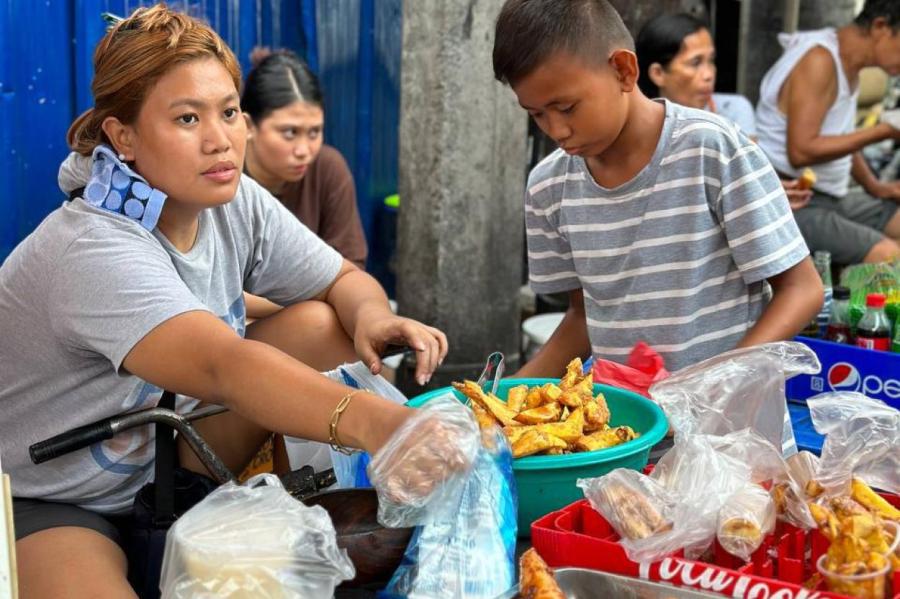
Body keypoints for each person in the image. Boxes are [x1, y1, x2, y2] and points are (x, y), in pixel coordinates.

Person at [0, 6, 453, 598]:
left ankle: (272, 497)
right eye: (187, 118)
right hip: (56, 494)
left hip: (167, 456)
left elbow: (343, 278)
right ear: (123, 137)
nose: (221, 139)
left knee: (328, 325)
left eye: (230, 112)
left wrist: (374, 314)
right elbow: (224, 366)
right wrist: (380, 423)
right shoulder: (92, 247)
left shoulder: (234, 203)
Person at [493, 0, 823, 377]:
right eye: (536, 114)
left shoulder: (711, 149)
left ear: (623, 70)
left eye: (566, 107)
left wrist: (714, 384)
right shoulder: (548, 187)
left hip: (732, 427)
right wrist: (502, 400)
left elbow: (801, 290)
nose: (556, 130)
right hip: (629, 428)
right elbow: (582, 317)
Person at [755, 0, 900, 265]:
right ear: (881, 27)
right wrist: (884, 132)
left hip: (833, 197)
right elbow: (801, 151)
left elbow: (838, 138)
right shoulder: (819, 60)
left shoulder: (849, 62)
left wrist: (875, 186)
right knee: (891, 255)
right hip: (795, 203)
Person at [635, 12, 812, 211]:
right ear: (658, 74)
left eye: (711, 61)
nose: (709, 74)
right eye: (695, 63)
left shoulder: (734, 111)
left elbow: (749, 182)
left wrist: (769, 193)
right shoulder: (639, 132)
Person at [242, 48, 368, 319]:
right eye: (289, 133)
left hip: (308, 316)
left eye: (314, 132)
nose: (304, 150)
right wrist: (318, 295)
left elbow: (352, 268)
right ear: (248, 126)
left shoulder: (328, 168)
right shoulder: (223, 176)